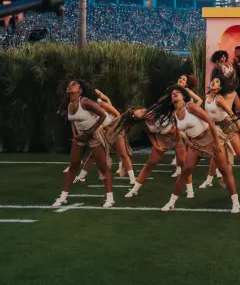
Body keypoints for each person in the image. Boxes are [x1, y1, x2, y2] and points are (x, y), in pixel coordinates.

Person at [150, 86, 240, 213]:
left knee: (224, 170)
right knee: (185, 171)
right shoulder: (174, 114)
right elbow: (184, 130)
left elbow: (209, 120)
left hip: (210, 138)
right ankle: (171, 203)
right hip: (195, 143)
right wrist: (188, 141)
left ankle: (236, 203)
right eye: (172, 94)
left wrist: (216, 142)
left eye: (177, 92)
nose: (174, 94)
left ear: (183, 96)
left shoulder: (190, 107)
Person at [52, 80, 114, 209]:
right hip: (80, 136)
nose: (69, 85)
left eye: (73, 84)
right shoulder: (69, 104)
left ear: (80, 90)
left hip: (94, 134)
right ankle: (62, 198)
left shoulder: (85, 102)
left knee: (103, 167)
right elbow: (73, 121)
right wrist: (75, 134)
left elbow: (102, 114)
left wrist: (91, 131)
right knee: (73, 165)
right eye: (69, 84)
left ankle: (110, 198)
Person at [120, 104, 194, 199]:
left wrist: (178, 135)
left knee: (184, 165)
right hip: (161, 140)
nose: (144, 114)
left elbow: (176, 119)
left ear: (141, 108)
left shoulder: (158, 110)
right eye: (134, 116)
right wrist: (156, 146)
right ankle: (134, 190)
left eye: (135, 113)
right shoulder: (144, 122)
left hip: (176, 138)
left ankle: (190, 191)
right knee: (149, 164)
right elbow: (150, 134)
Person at [198, 77, 240, 190]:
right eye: (213, 81)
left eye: (217, 82)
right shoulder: (206, 97)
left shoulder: (219, 99)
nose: (213, 82)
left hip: (229, 127)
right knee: (215, 154)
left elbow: (231, 113)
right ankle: (209, 180)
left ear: (219, 88)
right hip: (217, 129)